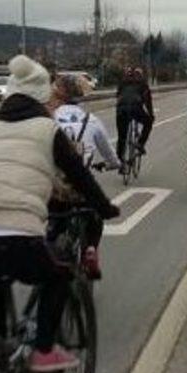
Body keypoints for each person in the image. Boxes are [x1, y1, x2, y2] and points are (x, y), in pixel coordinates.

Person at [0, 55, 120, 373]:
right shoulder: (47, 129)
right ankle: (43, 349)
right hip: (16, 240)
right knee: (61, 275)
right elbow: (78, 176)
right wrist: (105, 208)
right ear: (44, 98)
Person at [49, 74, 119, 279]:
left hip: (54, 189)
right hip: (82, 188)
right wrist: (113, 164)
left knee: (52, 221)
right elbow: (110, 155)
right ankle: (90, 250)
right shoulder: (92, 121)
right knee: (95, 218)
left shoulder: (50, 119)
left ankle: (49, 247)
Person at [115, 66, 154, 162]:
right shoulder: (143, 84)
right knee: (148, 122)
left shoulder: (122, 83)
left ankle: (119, 160)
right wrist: (151, 115)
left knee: (122, 137)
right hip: (135, 109)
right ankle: (140, 143)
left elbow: (118, 96)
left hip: (121, 110)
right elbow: (148, 102)